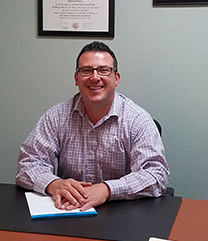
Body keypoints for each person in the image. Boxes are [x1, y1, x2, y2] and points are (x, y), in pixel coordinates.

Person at [16, 41, 169, 211]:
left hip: (121, 213)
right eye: (86, 70)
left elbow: (156, 174)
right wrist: (54, 184)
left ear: (116, 78)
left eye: (104, 70)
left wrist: (107, 189)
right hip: (70, 212)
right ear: (76, 78)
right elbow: (28, 163)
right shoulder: (57, 116)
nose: (95, 77)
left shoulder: (138, 120)